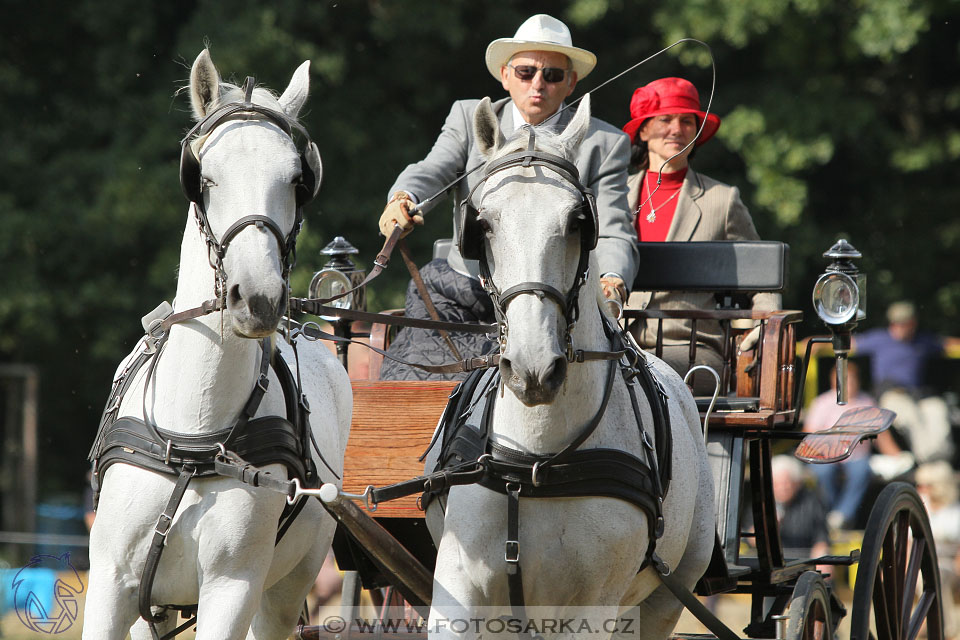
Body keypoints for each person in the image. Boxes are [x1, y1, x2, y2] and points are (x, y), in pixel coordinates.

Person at [377, 14, 638, 380]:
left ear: (571, 82)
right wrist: (404, 196)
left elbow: (613, 227)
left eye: (552, 75)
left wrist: (610, 278)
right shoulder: (469, 117)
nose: (537, 84)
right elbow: (432, 169)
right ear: (505, 75)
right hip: (462, 295)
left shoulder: (604, 144)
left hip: (554, 301)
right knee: (410, 394)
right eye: (526, 72)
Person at [621, 77, 780, 390]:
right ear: (643, 131)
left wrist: (768, 321)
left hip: (692, 351)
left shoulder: (722, 199)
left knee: (634, 379)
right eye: (664, 120)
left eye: (687, 121)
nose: (676, 129)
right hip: (616, 344)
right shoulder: (611, 196)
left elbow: (762, 276)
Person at [854, 301, 958, 464]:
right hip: (891, 394)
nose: (897, 327)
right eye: (894, 323)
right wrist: (816, 341)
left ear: (913, 323)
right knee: (910, 416)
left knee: (938, 410)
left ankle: (942, 461)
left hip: (919, 394)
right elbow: (847, 342)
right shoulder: (879, 338)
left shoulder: (923, 341)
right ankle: (926, 462)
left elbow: (948, 343)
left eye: (903, 323)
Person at [802, 362, 899, 530]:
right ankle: (832, 515)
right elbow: (809, 432)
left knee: (862, 471)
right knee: (823, 472)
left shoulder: (867, 401)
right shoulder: (822, 403)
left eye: (852, 379)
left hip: (856, 457)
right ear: (834, 381)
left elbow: (881, 434)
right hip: (826, 455)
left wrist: (899, 458)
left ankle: (842, 516)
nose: (849, 384)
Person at [915, 461, 960, 640]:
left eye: (926, 485)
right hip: (918, 564)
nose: (921, 488)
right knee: (926, 574)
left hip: (949, 564)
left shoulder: (955, 513)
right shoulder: (917, 509)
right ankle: (938, 627)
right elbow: (909, 545)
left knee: (937, 574)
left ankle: (932, 625)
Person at [770, 455, 830, 560]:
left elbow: (821, 537)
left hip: (804, 562)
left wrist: (821, 557)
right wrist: (768, 529)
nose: (782, 489)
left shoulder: (810, 502)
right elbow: (752, 538)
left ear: (796, 483)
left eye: (786, 484)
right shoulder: (763, 503)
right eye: (777, 484)